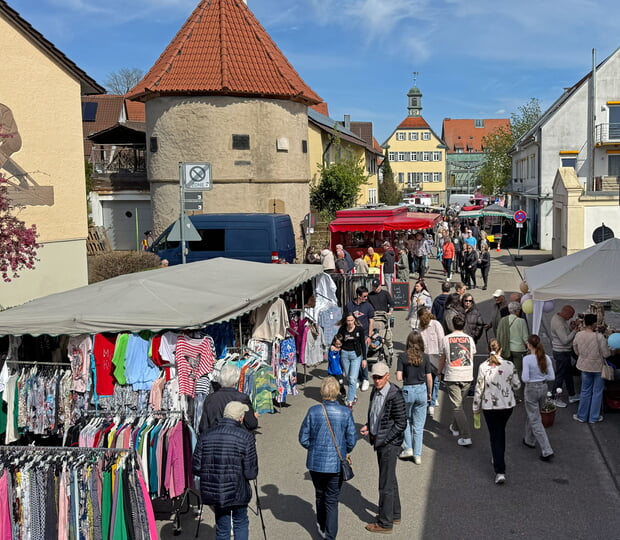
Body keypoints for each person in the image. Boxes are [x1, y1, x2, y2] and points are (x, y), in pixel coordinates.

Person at [299, 376, 357, 540]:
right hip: (336, 463)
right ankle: (330, 536)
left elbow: (303, 438)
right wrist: (345, 450)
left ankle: (322, 525)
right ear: (337, 392)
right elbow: (352, 438)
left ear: (322, 392)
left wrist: (313, 448)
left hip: (315, 463)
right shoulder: (345, 412)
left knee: (319, 494)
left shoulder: (313, 411)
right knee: (332, 500)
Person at [192, 401, 258, 540]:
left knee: (222, 527)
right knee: (240, 522)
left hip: (216, 491)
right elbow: (251, 473)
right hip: (238, 491)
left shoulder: (206, 435)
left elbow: (196, 467)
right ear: (240, 418)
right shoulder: (246, 437)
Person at [360, 362, 406, 533]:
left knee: (385, 484)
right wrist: (369, 426)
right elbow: (376, 413)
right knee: (390, 478)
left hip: (389, 444)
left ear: (387, 376)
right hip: (380, 441)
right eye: (374, 377)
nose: (377, 380)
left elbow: (401, 423)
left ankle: (385, 523)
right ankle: (394, 513)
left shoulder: (395, 395)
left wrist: (384, 438)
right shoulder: (376, 391)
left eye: (380, 377)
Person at [473, 339, 520, 484]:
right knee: (501, 432)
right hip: (507, 405)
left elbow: (479, 389)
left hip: (490, 406)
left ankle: (500, 469)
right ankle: (498, 456)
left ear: (488, 350)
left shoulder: (483, 366)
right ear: (501, 350)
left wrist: (475, 407)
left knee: (495, 435)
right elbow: (517, 385)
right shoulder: (509, 365)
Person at [439, 313, 476, 447]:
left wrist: (439, 372)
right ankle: (454, 427)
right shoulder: (469, 339)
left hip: (452, 375)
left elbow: (442, 358)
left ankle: (466, 436)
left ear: (452, 324)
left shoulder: (446, 339)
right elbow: (471, 356)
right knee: (460, 404)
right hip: (467, 375)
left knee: (457, 406)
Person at [396, 332, 432, 463]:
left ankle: (408, 448)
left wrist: (400, 373)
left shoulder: (402, 356)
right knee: (419, 425)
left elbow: (399, 377)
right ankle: (417, 455)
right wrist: (429, 392)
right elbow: (429, 377)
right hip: (421, 389)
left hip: (408, 390)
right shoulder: (425, 357)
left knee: (405, 419)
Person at [573, 313, 611, 424]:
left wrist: (582, 356)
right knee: (597, 392)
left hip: (584, 366)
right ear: (594, 324)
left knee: (585, 391)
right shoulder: (599, 337)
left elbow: (575, 348)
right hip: (598, 367)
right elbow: (606, 354)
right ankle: (594, 417)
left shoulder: (579, 335)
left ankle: (581, 415)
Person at [522, 335, 555, 461]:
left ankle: (546, 450)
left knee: (535, 418)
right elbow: (551, 377)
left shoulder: (527, 359)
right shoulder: (546, 357)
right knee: (533, 414)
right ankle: (529, 439)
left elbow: (525, 378)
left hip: (531, 388)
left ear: (529, 345)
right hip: (543, 387)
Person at [199, 364, 258, 433]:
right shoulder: (242, 398)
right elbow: (251, 424)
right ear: (236, 380)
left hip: (214, 436)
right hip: (237, 436)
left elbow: (203, 427)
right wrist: (254, 418)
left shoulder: (210, 398)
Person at [497, 301, 529, 401]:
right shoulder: (521, 321)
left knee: (507, 371)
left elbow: (498, 334)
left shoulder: (503, 320)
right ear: (517, 311)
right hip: (519, 350)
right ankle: (517, 394)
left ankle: (507, 393)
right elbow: (525, 337)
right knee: (518, 371)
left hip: (506, 349)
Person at [345, 286, 374, 391]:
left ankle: (365, 379)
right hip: (351, 336)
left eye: (367, 296)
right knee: (353, 358)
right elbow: (345, 320)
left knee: (362, 358)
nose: (366, 298)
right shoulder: (349, 305)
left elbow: (371, 321)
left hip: (364, 336)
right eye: (364, 296)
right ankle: (357, 378)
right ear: (358, 296)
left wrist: (369, 336)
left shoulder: (368, 306)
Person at [417, 308, 445, 417]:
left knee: (436, 380)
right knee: (427, 380)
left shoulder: (436, 324)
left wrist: (442, 355)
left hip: (436, 356)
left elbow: (441, 339)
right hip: (425, 356)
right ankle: (429, 399)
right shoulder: (420, 326)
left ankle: (432, 402)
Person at [550, 305, 579, 407]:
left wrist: (570, 328)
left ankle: (572, 394)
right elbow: (565, 340)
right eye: (571, 315)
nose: (571, 317)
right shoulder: (559, 323)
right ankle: (554, 397)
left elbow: (563, 333)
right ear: (566, 312)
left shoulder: (559, 318)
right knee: (560, 375)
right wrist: (575, 331)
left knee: (568, 374)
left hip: (562, 351)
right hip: (561, 351)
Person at [337, 312, 367, 408]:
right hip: (344, 354)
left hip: (355, 355)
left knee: (352, 379)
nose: (350, 322)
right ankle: (353, 394)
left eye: (351, 320)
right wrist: (334, 348)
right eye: (348, 320)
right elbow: (338, 340)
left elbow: (363, 344)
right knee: (348, 376)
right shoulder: (342, 329)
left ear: (354, 320)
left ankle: (350, 401)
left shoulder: (359, 330)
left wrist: (364, 359)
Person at [368, 278, 394, 364]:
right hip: (373, 317)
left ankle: (390, 348)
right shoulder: (369, 295)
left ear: (380, 286)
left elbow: (392, 304)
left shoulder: (385, 294)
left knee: (387, 335)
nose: (375, 288)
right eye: (373, 287)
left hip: (384, 317)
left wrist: (390, 312)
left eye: (376, 287)